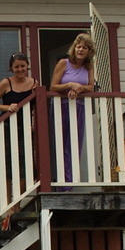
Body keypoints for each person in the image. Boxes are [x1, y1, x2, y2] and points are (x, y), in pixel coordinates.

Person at [49, 33, 96, 186]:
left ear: (89, 51)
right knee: (59, 143)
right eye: (79, 46)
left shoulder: (89, 66)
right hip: (61, 106)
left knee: (74, 144)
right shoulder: (64, 63)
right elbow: (53, 86)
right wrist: (70, 85)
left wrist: (79, 89)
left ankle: (68, 183)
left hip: (79, 107)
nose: (81, 50)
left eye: (85, 48)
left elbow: (91, 87)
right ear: (74, 48)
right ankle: (58, 181)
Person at [0, 52, 38, 182]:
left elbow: (36, 106)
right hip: (6, 128)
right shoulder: (6, 83)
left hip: (24, 129)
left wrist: (33, 124)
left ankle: (17, 203)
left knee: (24, 166)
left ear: (27, 66)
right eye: (16, 67)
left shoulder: (34, 83)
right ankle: (8, 200)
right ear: (11, 68)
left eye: (23, 66)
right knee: (6, 166)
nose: (20, 69)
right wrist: (7, 107)